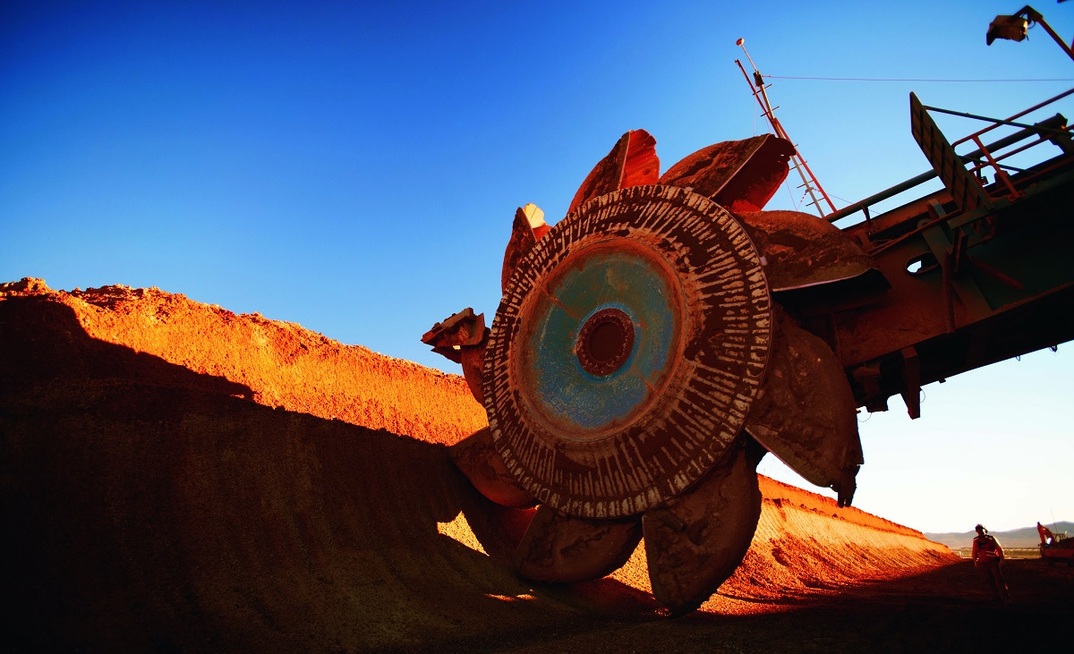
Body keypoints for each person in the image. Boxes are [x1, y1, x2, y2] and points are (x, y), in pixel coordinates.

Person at [971, 524, 1010, 603]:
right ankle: (997, 597)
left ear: (985, 530)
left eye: (981, 529)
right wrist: (975, 560)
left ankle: (1005, 598)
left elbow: (999, 549)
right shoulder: (976, 540)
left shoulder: (991, 539)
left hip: (993, 562)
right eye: (978, 530)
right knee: (990, 580)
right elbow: (974, 551)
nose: (980, 531)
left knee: (999, 580)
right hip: (983, 562)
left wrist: (1002, 559)